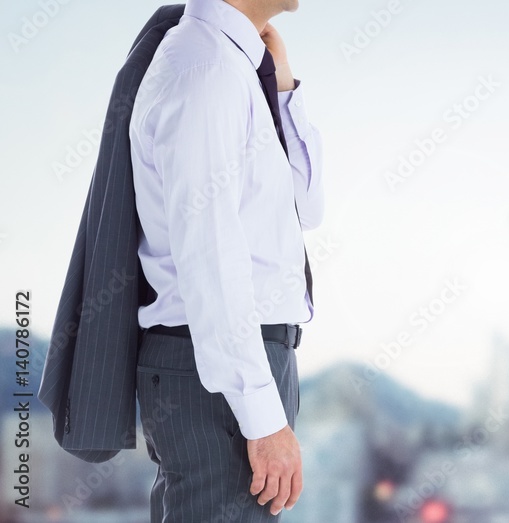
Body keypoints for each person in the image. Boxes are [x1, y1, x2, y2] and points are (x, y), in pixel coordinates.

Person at [128, 0, 324, 519]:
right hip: (216, 368)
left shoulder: (233, 64)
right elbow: (208, 254)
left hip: (236, 358)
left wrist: (281, 90)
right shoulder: (207, 72)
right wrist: (262, 417)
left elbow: (308, 204)